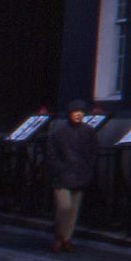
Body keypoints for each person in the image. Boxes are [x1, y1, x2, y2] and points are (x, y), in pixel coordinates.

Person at [46, 101, 100, 252]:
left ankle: (66, 239)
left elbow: (93, 151)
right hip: (63, 175)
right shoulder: (59, 132)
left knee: (73, 210)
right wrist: (60, 168)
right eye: (75, 111)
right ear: (69, 113)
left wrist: (88, 168)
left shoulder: (88, 131)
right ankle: (60, 236)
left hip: (80, 174)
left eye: (81, 112)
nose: (78, 114)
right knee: (64, 207)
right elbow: (51, 153)